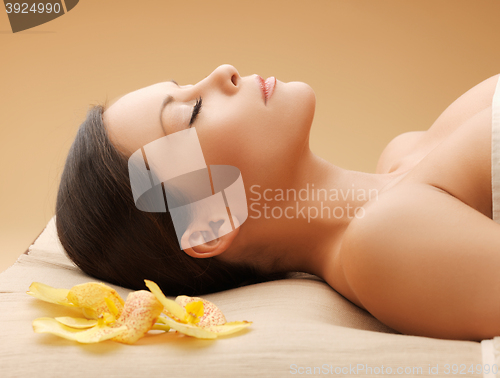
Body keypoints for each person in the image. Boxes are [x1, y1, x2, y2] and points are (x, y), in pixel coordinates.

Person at [56, 64, 500, 341]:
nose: (223, 72)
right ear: (211, 222)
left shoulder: (403, 153)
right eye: (190, 112)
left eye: (189, 82)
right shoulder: (384, 242)